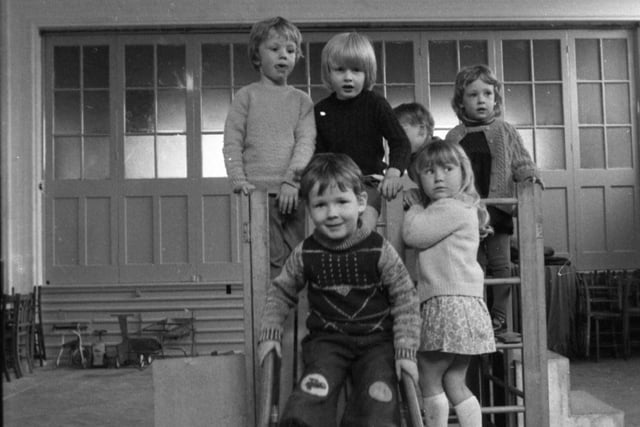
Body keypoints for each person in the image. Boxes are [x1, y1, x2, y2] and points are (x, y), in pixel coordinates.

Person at [258, 153, 421, 427]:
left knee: (379, 400)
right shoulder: (305, 252)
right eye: (321, 205)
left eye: (341, 202)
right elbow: (281, 291)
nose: (332, 213)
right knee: (311, 394)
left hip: (376, 344)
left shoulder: (379, 250)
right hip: (327, 343)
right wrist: (270, 333)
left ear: (360, 202)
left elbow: (405, 299)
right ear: (309, 209)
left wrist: (406, 351)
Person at [402, 140, 496, 427]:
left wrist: (415, 206)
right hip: (464, 306)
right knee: (454, 380)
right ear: (420, 178)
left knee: (428, 375)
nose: (439, 177)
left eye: (447, 168)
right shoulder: (463, 206)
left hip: (448, 304)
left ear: (463, 173)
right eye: (429, 171)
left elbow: (413, 235)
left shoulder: (448, 208)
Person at [445, 64, 542, 336]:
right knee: (472, 265)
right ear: (461, 102)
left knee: (501, 265)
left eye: (487, 94)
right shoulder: (455, 136)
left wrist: (530, 178)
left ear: (495, 99)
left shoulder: (504, 130)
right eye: (473, 95)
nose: (481, 100)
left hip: (497, 208)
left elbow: (521, 161)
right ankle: (475, 314)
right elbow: (446, 170)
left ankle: (499, 316)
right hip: (467, 212)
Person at [223, 16, 316, 278]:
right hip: (258, 195)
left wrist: (292, 181)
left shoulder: (301, 100)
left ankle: (296, 319)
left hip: (293, 193)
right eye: (274, 49)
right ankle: (271, 318)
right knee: (266, 262)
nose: (283, 56)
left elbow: (306, 143)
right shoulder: (246, 96)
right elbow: (232, 142)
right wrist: (238, 179)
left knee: (298, 259)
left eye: (290, 50)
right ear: (256, 55)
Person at [314, 32, 411, 232]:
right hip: (334, 185)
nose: (348, 77)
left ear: (367, 73)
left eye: (356, 70)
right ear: (328, 73)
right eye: (340, 70)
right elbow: (319, 155)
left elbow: (400, 142)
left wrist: (393, 173)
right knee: (335, 235)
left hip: (368, 182)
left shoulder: (376, 104)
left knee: (361, 231)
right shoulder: (321, 110)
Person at [393, 102, 442, 210]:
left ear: (422, 130)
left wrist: (417, 194)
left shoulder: (437, 153)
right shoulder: (412, 157)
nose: (395, 138)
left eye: (401, 131)